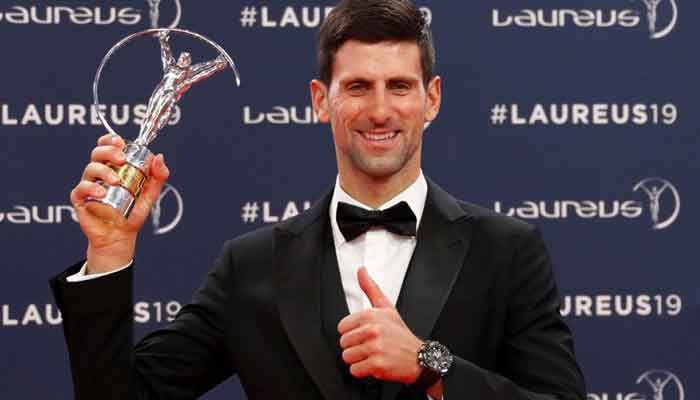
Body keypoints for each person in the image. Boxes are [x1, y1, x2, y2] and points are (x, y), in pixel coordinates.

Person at [51, 1, 586, 399]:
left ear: (432, 99)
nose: (380, 111)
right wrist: (109, 252)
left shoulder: (506, 251)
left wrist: (430, 365)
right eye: (357, 87)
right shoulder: (251, 265)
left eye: (400, 86)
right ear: (320, 100)